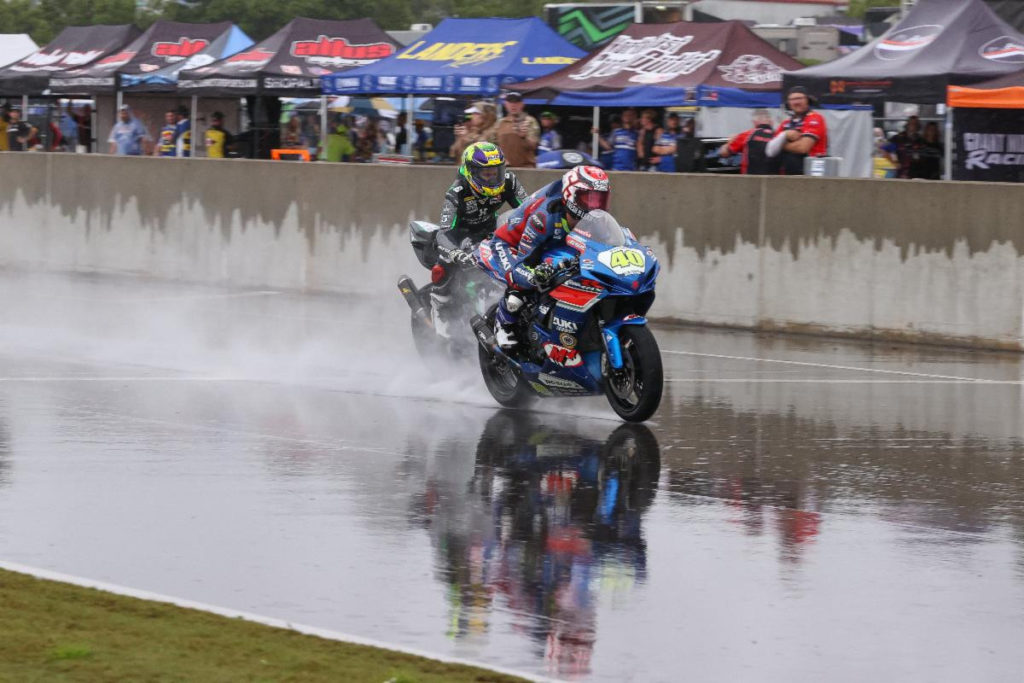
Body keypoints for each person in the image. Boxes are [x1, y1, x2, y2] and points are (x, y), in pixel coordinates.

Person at [484, 165, 610, 348]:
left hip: (552, 242)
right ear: (571, 195)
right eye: (588, 199)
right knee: (528, 279)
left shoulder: (593, 218)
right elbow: (524, 260)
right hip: (509, 244)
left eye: (600, 200)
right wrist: (535, 274)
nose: (595, 206)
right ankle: (503, 323)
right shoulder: (545, 217)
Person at [434, 141, 528, 336]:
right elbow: (442, 232)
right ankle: (439, 305)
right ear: (471, 172)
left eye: (496, 172)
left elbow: (528, 209)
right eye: (486, 173)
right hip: (459, 236)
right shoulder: (456, 192)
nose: (493, 178)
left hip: (489, 231)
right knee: (445, 262)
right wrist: (456, 253)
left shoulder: (509, 181)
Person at [772, 86, 828, 175]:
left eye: (799, 98)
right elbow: (770, 149)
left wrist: (781, 143)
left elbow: (803, 148)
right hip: (786, 175)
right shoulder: (785, 123)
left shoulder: (815, 118)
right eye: (792, 99)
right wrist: (785, 135)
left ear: (807, 100)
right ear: (788, 103)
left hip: (811, 175)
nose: (796, 102)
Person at [719, 109, 780, 175]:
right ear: (771, 121)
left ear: (754, 122)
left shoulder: (747, 135)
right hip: (775, 181)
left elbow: (724, 153)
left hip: (750, 180)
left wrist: (729, 142)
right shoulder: (778, 136)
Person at [494, 91, 540, 168]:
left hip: (525, 169)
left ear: (522, 104)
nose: (513, 105)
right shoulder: (500, 123)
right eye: (510, 102)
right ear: (506, 104)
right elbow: (493, 146)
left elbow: (533, 146)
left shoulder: (530, 121)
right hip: (505, 169)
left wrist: (523, 138)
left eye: (516, 102)